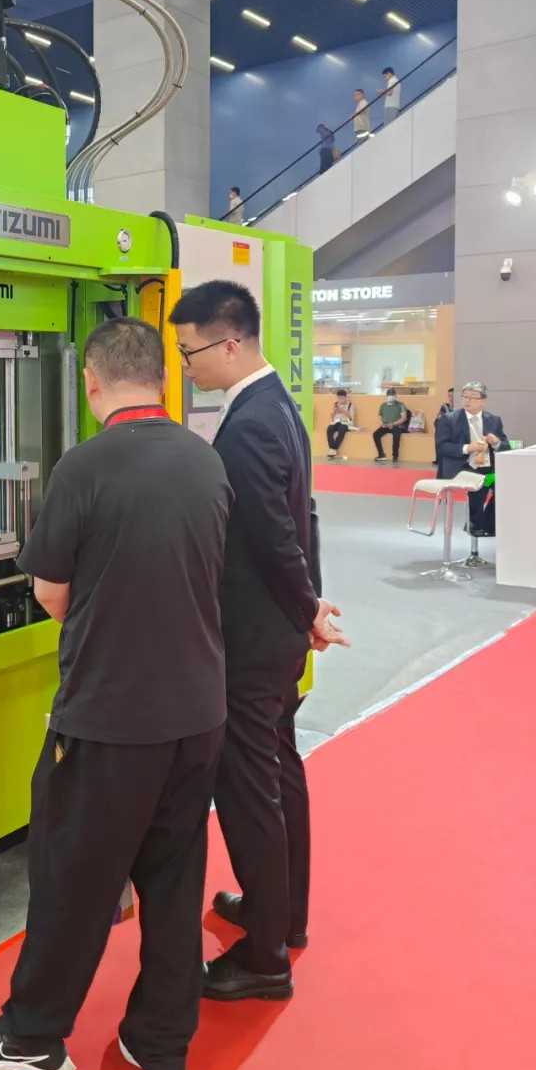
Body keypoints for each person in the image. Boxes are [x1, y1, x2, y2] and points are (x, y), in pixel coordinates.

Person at [0, 317, 232, 1070]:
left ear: (90, 383)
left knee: (71, 880)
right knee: (174, 883)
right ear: (162, 378)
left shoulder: (83, 466)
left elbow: (50, 591)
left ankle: (33, 1037)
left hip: (109, 720)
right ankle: (162, 1049)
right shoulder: (206, 461)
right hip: (197, 714)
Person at [169, 282, 347, 1002]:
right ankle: (282, 912)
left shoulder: (248, 425)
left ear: (230, 342)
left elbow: (275, 535)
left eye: (189, 352)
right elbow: (303, 518)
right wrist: (308, 607)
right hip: (276, 634)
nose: (185, 366)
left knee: (247, 789)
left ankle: (266, 957)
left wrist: (307, 609)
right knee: (279, 771)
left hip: (251, 640)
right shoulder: (276, 405)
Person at [436, 381, 510, 536]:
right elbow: (441, 447)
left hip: (489, 469)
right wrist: (468, 448)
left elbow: (506, 447)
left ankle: (486, 524)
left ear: (483, 401)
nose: (467, 400)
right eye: (465, 397)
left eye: (473, 397)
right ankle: (475, 524)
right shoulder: (448, 419)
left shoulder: (494, 420)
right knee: (479, 484)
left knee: (504, 485)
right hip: (463, 468)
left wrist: (496, 442)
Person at [373, 389, 411, 462]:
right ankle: (381, 454)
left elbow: (404, 418)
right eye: (389, 395)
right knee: (375, 434)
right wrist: (383, 424)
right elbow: (380, 416)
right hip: (386, 425)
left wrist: (393, 424)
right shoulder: (383, 405)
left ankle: (395, 456)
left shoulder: (401, 405)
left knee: (396, 435)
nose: (391, 397)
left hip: (396, 425)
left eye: (392, 395)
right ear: (387, 396)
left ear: (395, 396)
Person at [326, 389, 354, 458]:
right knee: (329, 428)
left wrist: (343, 411)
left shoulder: (350, 405)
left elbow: (351, 417)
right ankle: (332, 449)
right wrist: (334, 412)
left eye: (342, 398)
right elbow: (332, 418)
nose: (340, 399)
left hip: (346, 423)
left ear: (346, 397)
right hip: (336, 422)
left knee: (342, 428)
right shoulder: (336, 404)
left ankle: (333, 448)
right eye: (339, 398)